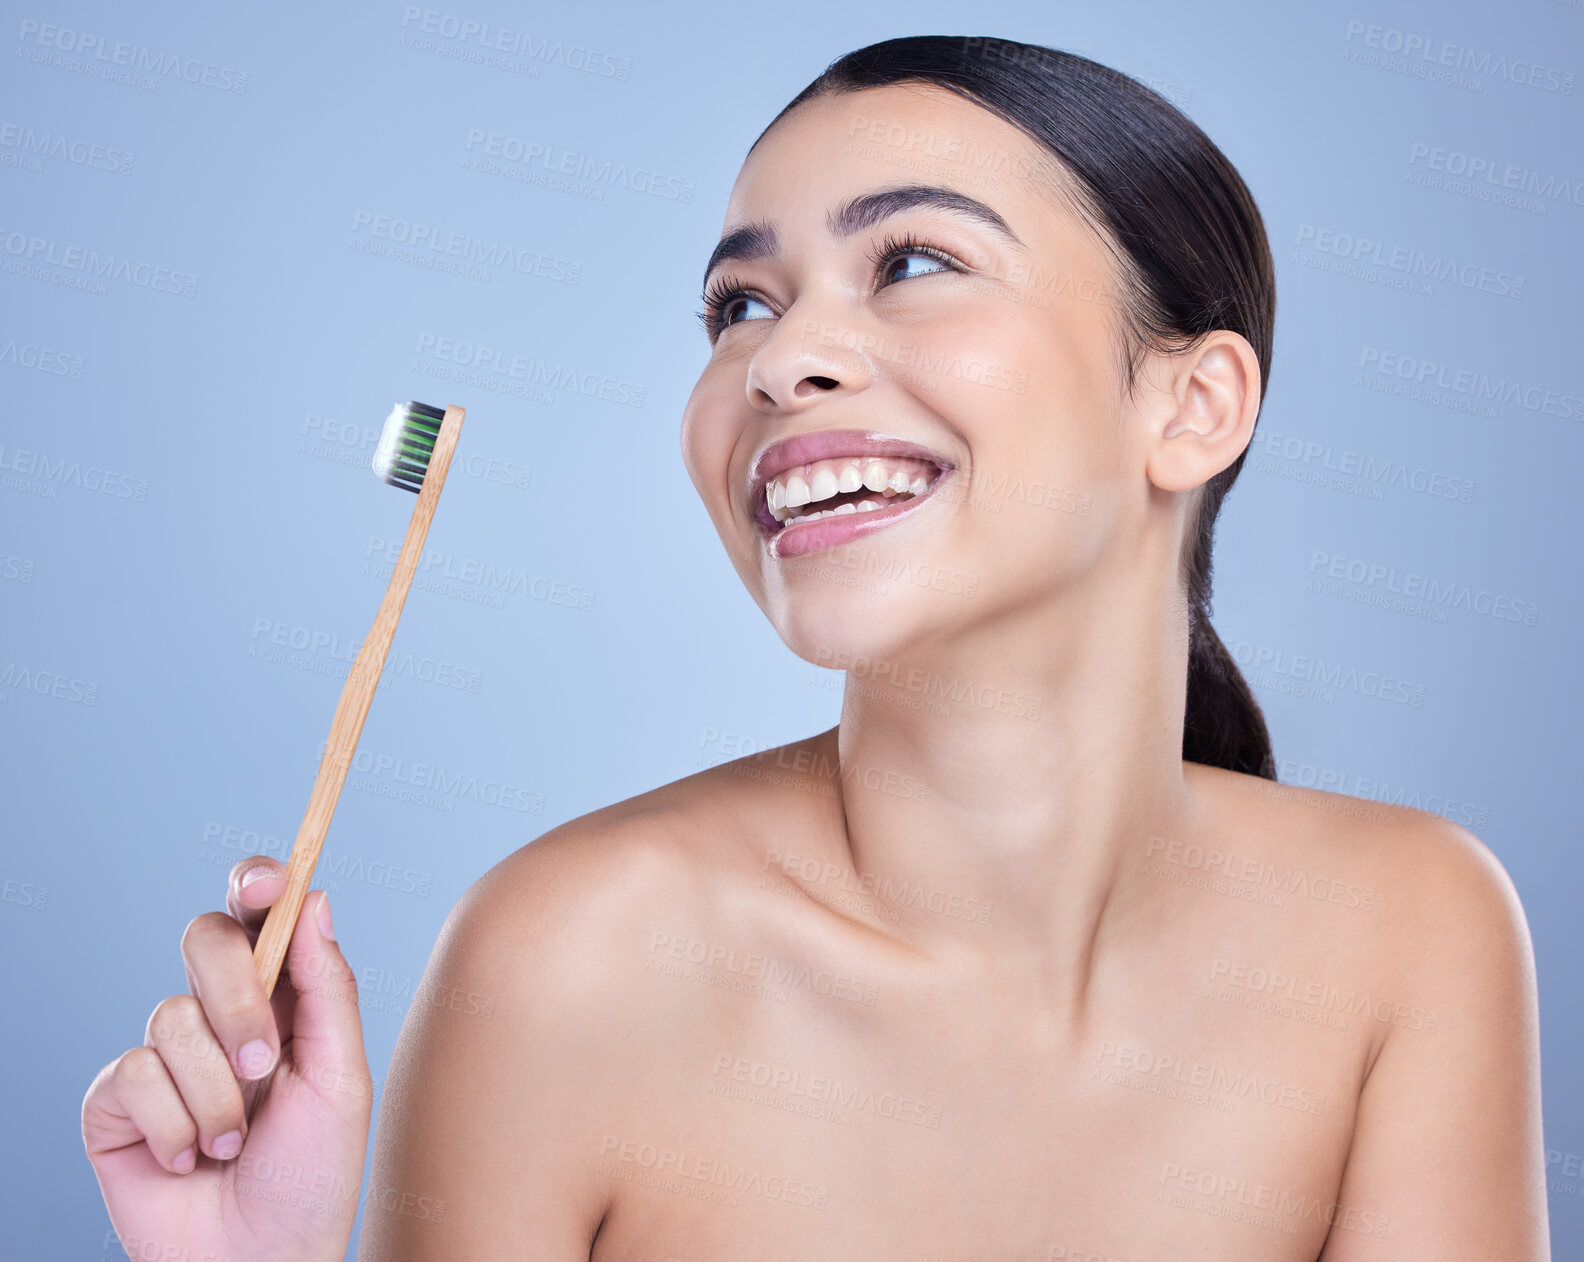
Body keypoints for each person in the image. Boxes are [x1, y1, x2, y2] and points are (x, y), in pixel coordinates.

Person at [83, 35, 1547, 1261]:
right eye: (740, 305)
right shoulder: (566, 964)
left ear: (1196, 406)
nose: (775, 359)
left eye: (913, 260)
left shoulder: (1411, 933)